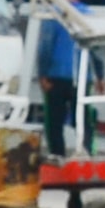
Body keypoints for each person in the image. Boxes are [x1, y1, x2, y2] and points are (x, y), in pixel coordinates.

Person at [37, 8, 81, 159]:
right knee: (83, 120)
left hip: (56, 76)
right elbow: (95, 47)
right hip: (82, 75)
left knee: (54, 123)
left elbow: (45, 46)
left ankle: (57, 155)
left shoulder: (53, 14)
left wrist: (42, 73)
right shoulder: (87, 14)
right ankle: (88, 153)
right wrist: (100, 75)